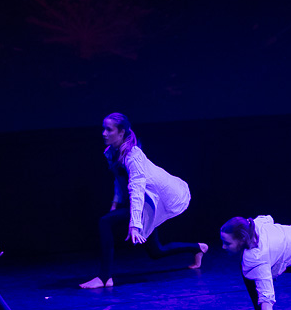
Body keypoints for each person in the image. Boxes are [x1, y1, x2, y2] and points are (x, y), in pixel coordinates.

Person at [80, 113, 207, 289]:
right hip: (147, 202)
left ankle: (104, 278)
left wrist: (135, 225)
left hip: (160, 199)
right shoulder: (111, 152)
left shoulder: (133, 156)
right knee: (156, 251)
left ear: (121, 132)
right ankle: (198, 248)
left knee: (105, 222)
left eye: (109, 130)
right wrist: (115, 204)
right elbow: (119, 179)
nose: (104, 133)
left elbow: (137, 190)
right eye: (103, 129)